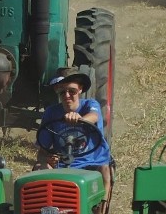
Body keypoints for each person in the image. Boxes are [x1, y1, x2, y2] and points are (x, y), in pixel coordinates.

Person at [34, 68, 112, 213]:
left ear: (80, 89)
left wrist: (79, 119)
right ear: (57, 91)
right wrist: (47, 159)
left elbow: (94, 116)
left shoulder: (90, 105)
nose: (67, 95)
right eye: (62, 92)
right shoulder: (51, 113)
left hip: (92, 163)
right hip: (63, 164)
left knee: (105, 170)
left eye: (72, 91)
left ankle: (101, 207)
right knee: (40, 168)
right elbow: (42, 151)